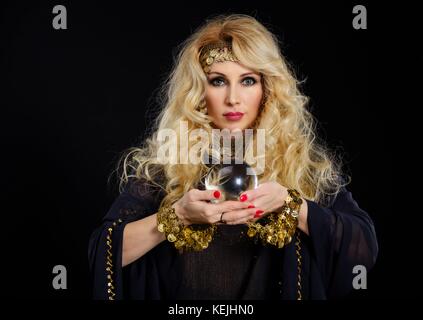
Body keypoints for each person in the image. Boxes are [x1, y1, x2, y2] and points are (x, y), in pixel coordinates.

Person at [88, 14, 378, 300]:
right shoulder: (169, 169)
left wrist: (292, 205)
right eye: (218, 81)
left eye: (248, 80)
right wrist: (177, 217)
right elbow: (103, 253)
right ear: (199, 92)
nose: (233, 98)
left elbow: (363, 249)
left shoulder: (301, 166)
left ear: (267, 89)